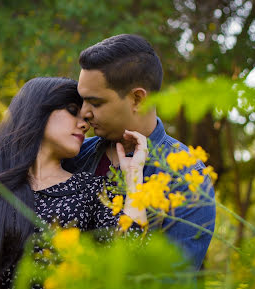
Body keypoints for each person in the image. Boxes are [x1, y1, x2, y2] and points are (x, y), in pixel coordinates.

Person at [0, 77, 147, 289]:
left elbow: (128, 259)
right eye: (73, 110)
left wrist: (134, 176)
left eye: (85, 119)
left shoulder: (92, 190)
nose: (84, 125)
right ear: (37, 111)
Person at [62, 34, 216, 270]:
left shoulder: (187, 178)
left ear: (137, 99)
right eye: (82, 101)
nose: (84, 113)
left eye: (96, 102)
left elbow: (170, 280)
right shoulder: (74, 155)